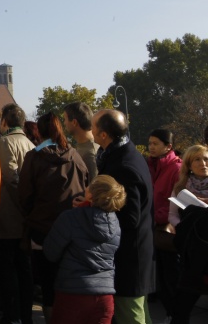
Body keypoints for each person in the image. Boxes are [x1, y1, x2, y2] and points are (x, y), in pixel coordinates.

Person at [18, 112, 89, 321]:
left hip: (43, 230)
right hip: (73, 229)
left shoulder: (34, 157)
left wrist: (32, 215)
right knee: (68, 283)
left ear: (38, 131)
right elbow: (86, 185)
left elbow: (24, 194)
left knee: (48, 287)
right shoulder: (75, 156)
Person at [91, 109, 154, 324]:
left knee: (132, 314)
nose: (91, 131)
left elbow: (130, 218)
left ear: (104, 135)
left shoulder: (123, 165)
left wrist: (94, 206)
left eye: (93, 127)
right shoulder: (125, 153)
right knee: (138, 311)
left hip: (130, 255)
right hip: (133, 252)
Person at [43, 175, 126, 324]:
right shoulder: (114, 223)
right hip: (105, 296)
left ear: (91, 194)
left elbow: (51, 252)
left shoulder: (70, 218)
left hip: (72, 293)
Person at [0, 103, 36, 324]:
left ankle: (13, 315)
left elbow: (9, 177)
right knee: (24, 269)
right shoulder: (29, 143)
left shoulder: (6, 142)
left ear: (5, 122)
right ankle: (25, 314)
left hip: (9, 215)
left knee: (8, 271)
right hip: (24, 217)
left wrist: (22, 203)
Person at [167, 145, 208, 324]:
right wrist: (183, 227)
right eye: (198, 160)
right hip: (191, 252)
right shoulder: (181, 187)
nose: (203, 163)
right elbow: (172, 215)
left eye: (206, 159)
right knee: (184, 301)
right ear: (189, 165)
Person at [145, 128, 181, 317]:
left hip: (166, 229)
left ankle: (175, 315)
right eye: (150, 143)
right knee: (159, 278)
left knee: (170, 276)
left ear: (168, 147)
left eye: (155, 144)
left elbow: (176, 201)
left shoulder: (176, 168)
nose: (151, 147)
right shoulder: (150, 165)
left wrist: (154, 216)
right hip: (152, 227)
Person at [63, 102, 100, 180]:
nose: (64, 123)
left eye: (65, 119)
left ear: (74, 122)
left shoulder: (90, 154)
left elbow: (93, 188)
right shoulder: (84, 148)